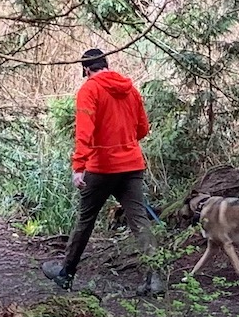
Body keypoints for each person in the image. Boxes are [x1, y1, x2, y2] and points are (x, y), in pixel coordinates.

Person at [47, 47, 161, 293]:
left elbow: (84, 132)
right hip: (132, 165)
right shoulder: (130, 89)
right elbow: (143, 129)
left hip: (101, 167)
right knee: (139, 220)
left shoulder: (89, 90)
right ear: (106, 64)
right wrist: (124, 142)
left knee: (85, 220)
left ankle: (66, 274)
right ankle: (155, 279)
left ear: (86, 69)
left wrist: (79, 166)